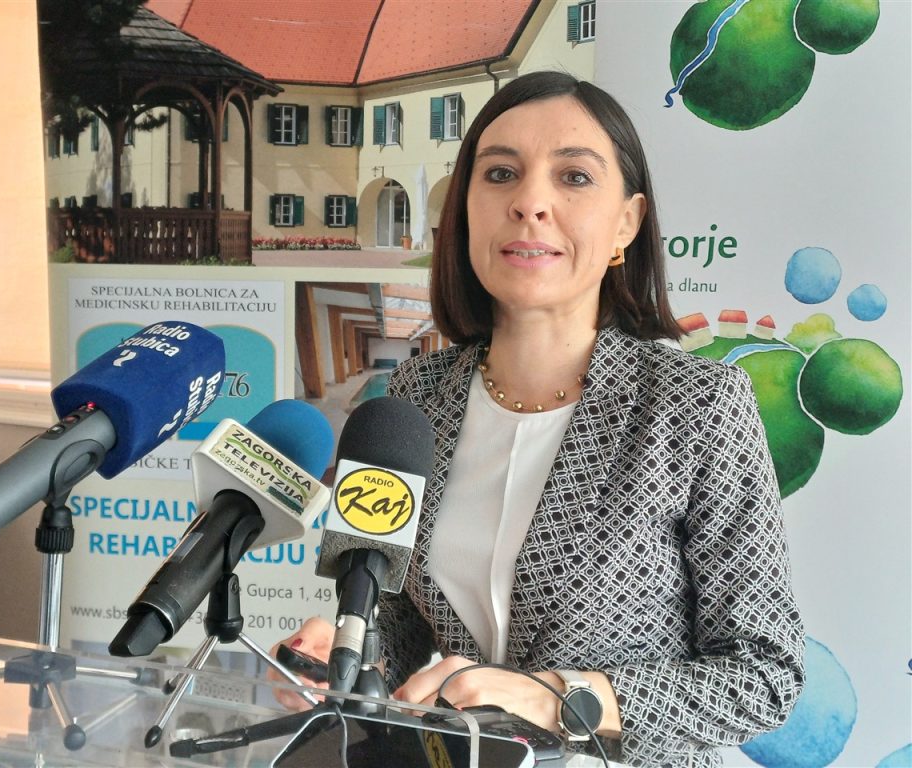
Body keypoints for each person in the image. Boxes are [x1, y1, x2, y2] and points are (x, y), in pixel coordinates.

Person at [275, 71, 805, 767]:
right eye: (500, 174)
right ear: (465, 211)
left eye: (574, 177)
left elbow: (764, 676)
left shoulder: (697, 404)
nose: (529, 202)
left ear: (627, 223)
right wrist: (346, 658)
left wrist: (560, 698)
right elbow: (396, 616)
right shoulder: (413, 395)